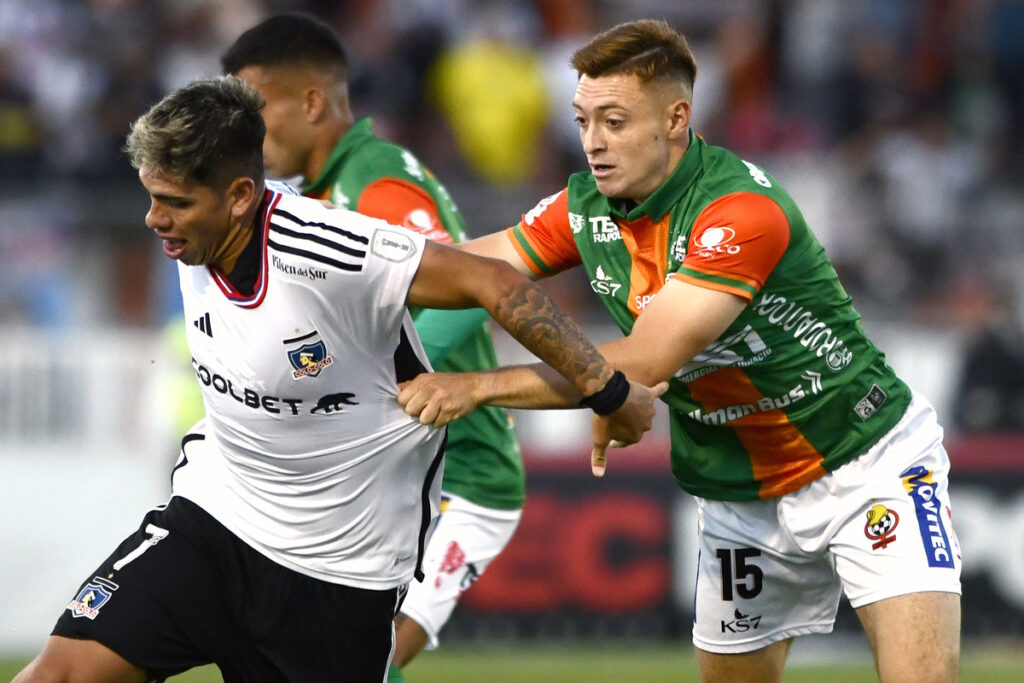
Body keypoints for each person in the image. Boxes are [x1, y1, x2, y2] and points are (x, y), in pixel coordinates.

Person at [13, 75, 664, 683]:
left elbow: (494, 282)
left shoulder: (329, 249)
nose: (155, 218)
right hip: (213, 524)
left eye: (175, 202)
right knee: (58, 672)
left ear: (240, 197)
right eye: (152, 197)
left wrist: (607, 391)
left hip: (336, 575)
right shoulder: (192, 236)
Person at [400, 19, 963, 683]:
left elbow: (645, 360)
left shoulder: (738, 211)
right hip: (736, 493)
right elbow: (473, 266)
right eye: (583, 120)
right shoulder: (583, 206)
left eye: (614, 121)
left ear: (676, 118)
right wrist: (353, 273)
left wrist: (478, 386)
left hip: (865, 460)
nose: (592, 143)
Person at [218, 13, 528, 681]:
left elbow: (470, 296)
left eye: (255, 108)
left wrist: (362, 386)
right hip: (387, 479)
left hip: (462, 480)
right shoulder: (321, 195)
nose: (244, 132)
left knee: (363, 660)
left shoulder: (376, 182)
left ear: (311, 102)